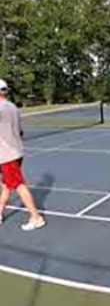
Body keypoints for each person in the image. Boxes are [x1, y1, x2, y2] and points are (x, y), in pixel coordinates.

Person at [0, 79, 46, 230]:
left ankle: (36, 217)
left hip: (7, 155)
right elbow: (20, 131)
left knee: (19, 185)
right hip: (16, 152)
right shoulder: (13, 107)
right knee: (7, 185)